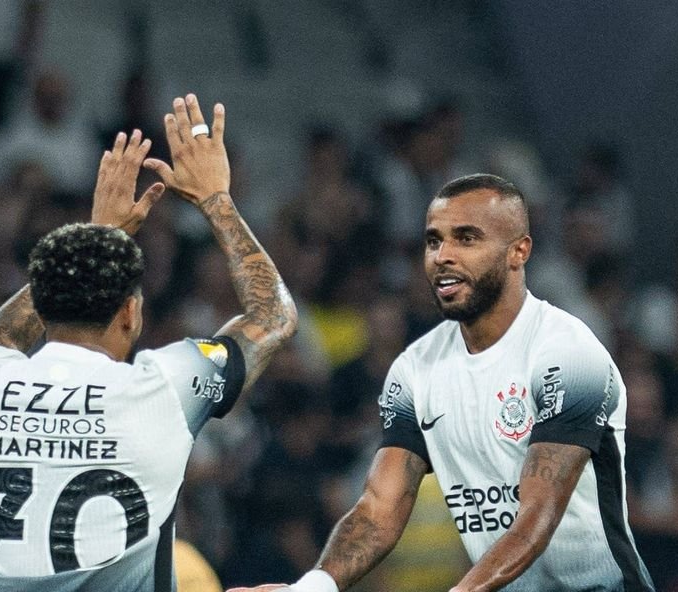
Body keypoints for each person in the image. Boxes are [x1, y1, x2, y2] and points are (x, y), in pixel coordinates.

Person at [230, 174, 652, 592]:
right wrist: (310, 589)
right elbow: (380, 508)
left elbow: (536, 518)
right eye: (434, 241)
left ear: (518, 251)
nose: (442, 256)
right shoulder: (415, 369)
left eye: (466, 239)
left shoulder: (567, 353)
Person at [0, 94, 297, 591]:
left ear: (42, 307)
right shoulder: (164, 387)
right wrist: (216, 200)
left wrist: (97, 236)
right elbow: (273, 316)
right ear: (131, 313)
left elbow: (1, 333)